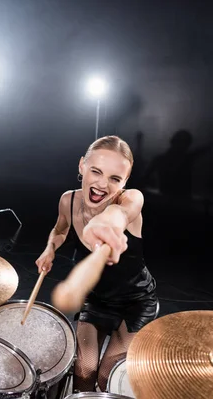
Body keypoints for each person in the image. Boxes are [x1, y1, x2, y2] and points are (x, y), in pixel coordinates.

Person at [35, 136, 158, 392]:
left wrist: (107, 222)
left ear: (125, 182)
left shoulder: (131, 199)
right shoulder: (67, 200)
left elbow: (120, 214)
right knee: (83, 372)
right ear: (82, 166)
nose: (102, 184)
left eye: (115, 178)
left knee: (107, 377)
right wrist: (50, 248)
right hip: (96, 298)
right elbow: (60, 229)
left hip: (135, 302)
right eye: (96, 171)